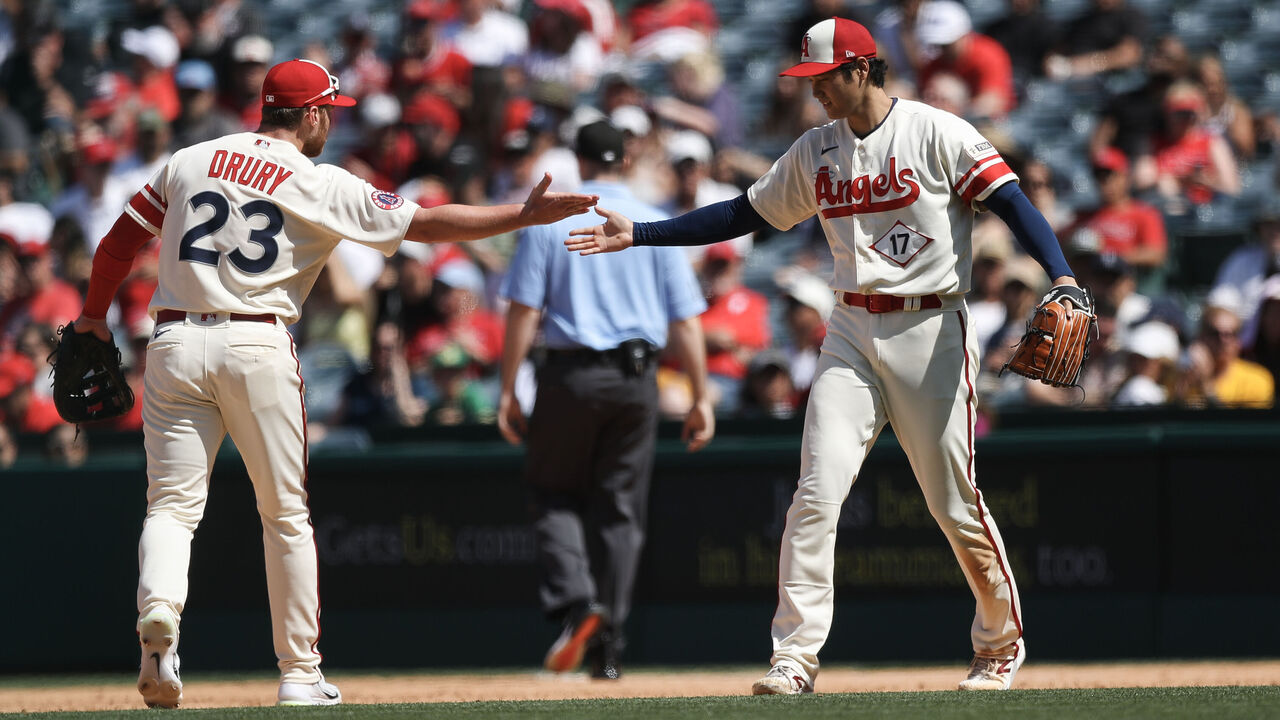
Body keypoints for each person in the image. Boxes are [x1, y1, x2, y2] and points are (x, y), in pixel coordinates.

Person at [566, 17, 1086, 693]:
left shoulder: (936, 130)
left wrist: (1063, 276)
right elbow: (740, 215)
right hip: (849, 328)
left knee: (954, 503)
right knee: (815, 492)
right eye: (808, 81)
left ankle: (998, 645)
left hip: (931, 329)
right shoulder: (817, 150)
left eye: (824, 79)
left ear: (861, 69)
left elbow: (1013, 203)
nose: (815, 94)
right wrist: (639, 232)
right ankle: (794, 658)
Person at [69, 58, 597, 709]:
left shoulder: (191, 157)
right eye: (330, 113)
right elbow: (427, 224)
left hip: (173, 339)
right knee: (285, 515)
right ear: (314, 113)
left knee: (171, 507)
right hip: (256, 340)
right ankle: (298, 673)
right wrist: (523, 213)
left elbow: (118, 244)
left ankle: (159, 631)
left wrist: (94, 314)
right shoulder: (317, 180)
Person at [498, 120, 713, 681]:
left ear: (580, 160)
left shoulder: (552, 220)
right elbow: (687, 320)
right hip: (637, 380)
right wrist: (700, 396)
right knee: (620, 510)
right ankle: (609, 644)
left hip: (571, 376)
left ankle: (577, 605)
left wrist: (507, 387)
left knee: (552, 494)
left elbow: (523, 309)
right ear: (626, 158)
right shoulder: (654, 219)